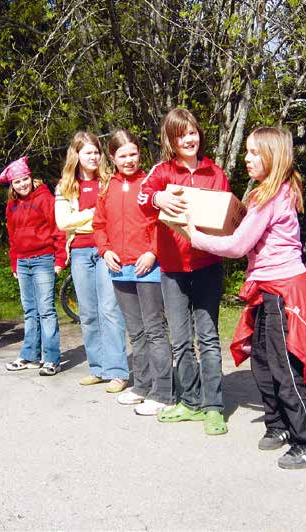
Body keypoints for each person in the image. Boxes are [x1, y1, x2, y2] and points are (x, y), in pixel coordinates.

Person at [184, 126, 306, 468]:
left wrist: (194, 236)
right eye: (247, 151)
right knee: (263, 362)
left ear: (273, 156)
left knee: (286, 368)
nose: (247, 158)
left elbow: (237, 245)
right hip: (268, 290)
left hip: (285, 291)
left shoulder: (273, 196)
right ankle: (280, 424)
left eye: (254, 152)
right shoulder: (264, 194)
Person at [138, 108, 228, 435]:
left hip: (208, 267)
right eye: (181, 135)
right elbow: (142, 197)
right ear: (171, 141)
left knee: (207, 338)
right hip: (173, 269)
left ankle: (214, 407)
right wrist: (159, 197)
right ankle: (190, 402)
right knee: (180, 340)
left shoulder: (214, 173)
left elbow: (227, 215)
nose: (188, 139)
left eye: (192, 132)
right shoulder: (162, 171)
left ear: (199, 134)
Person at [93, 129, 174, 413]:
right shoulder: (107, 188)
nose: (129, 160)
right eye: (122, 155)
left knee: (154, 330)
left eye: (133, 154)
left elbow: (162, 223)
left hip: (147, 268)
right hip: (119, 268)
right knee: (136, 332)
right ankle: (142, 385)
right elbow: (99, 225)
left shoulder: (149, 185)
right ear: (112, 158)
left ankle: (163, 391)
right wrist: (105, 251)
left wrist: (153, 252)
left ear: (140, 153)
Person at [55, 131, 129, 393]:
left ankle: (118, 371)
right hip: (78, 252)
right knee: (87, 312)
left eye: (97, 151)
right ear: (76, 155)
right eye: (88, 152)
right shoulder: (65, 186)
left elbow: (113, 216)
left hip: (105, 250)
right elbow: (63, 222)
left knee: (109, 309)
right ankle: (98, 368)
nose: (94, 156)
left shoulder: (109, 182)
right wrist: (93, 214)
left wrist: (82, 217)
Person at [1, 156, 66, 376]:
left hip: (43, 259)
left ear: (31, 178)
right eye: (17, 182)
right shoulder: (12, 206)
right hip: (23, 262)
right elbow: (12, 237)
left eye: (25, 179)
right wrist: (14, 263)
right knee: (30, 311)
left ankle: (51, 359)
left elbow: (57, 229)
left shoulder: (44, 198)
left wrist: (59, 259)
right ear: (12, 185)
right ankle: (30, 355)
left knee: (46, 310)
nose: (22, 184)